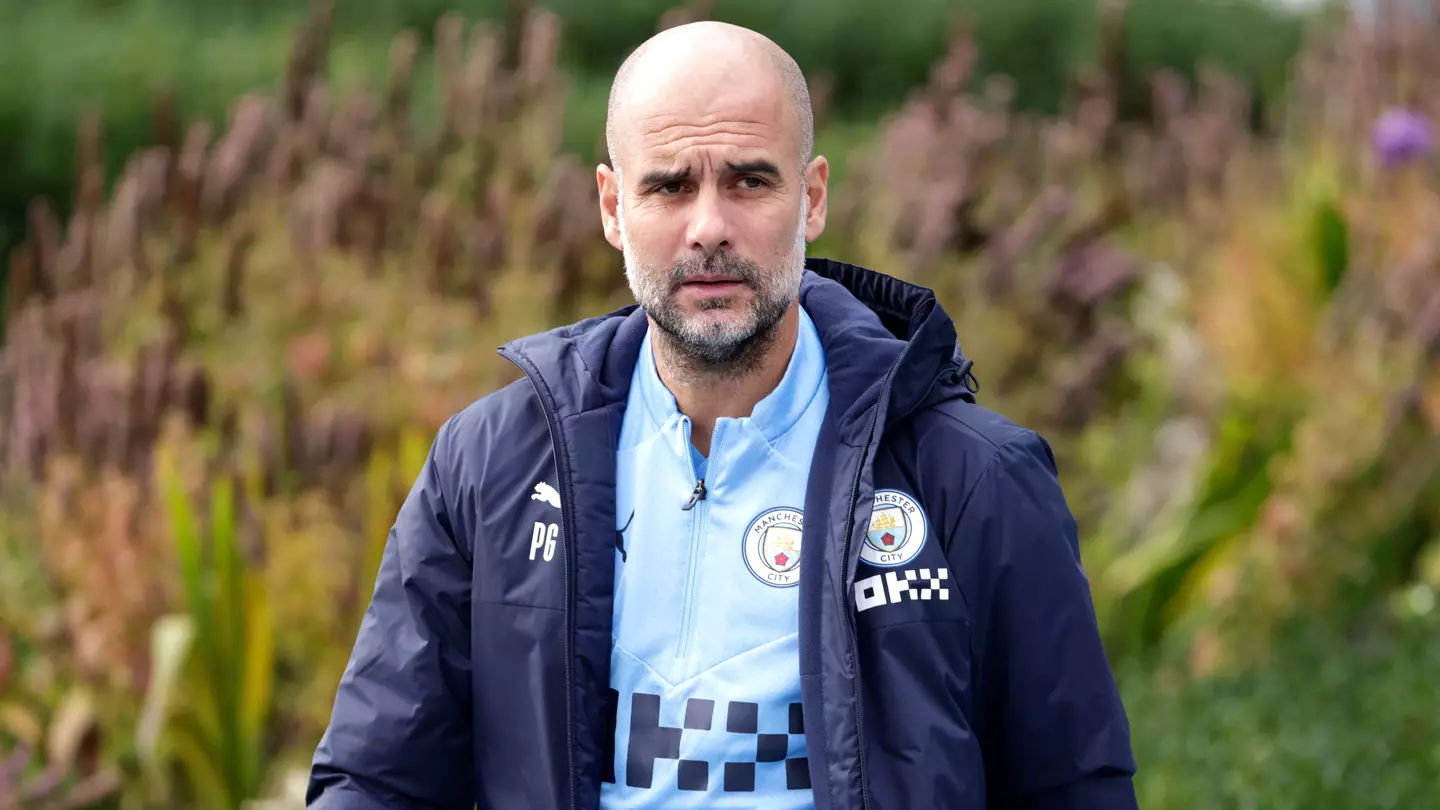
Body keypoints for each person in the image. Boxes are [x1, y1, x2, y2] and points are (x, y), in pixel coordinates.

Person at [307, 20, 1138, 810]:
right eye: (669, 186)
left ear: (812, 198)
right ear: (610, 207)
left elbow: (1072, 784)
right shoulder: (489, 465)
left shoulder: (971, 477)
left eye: (749, 180)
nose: (709, 227)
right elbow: (379, 777)